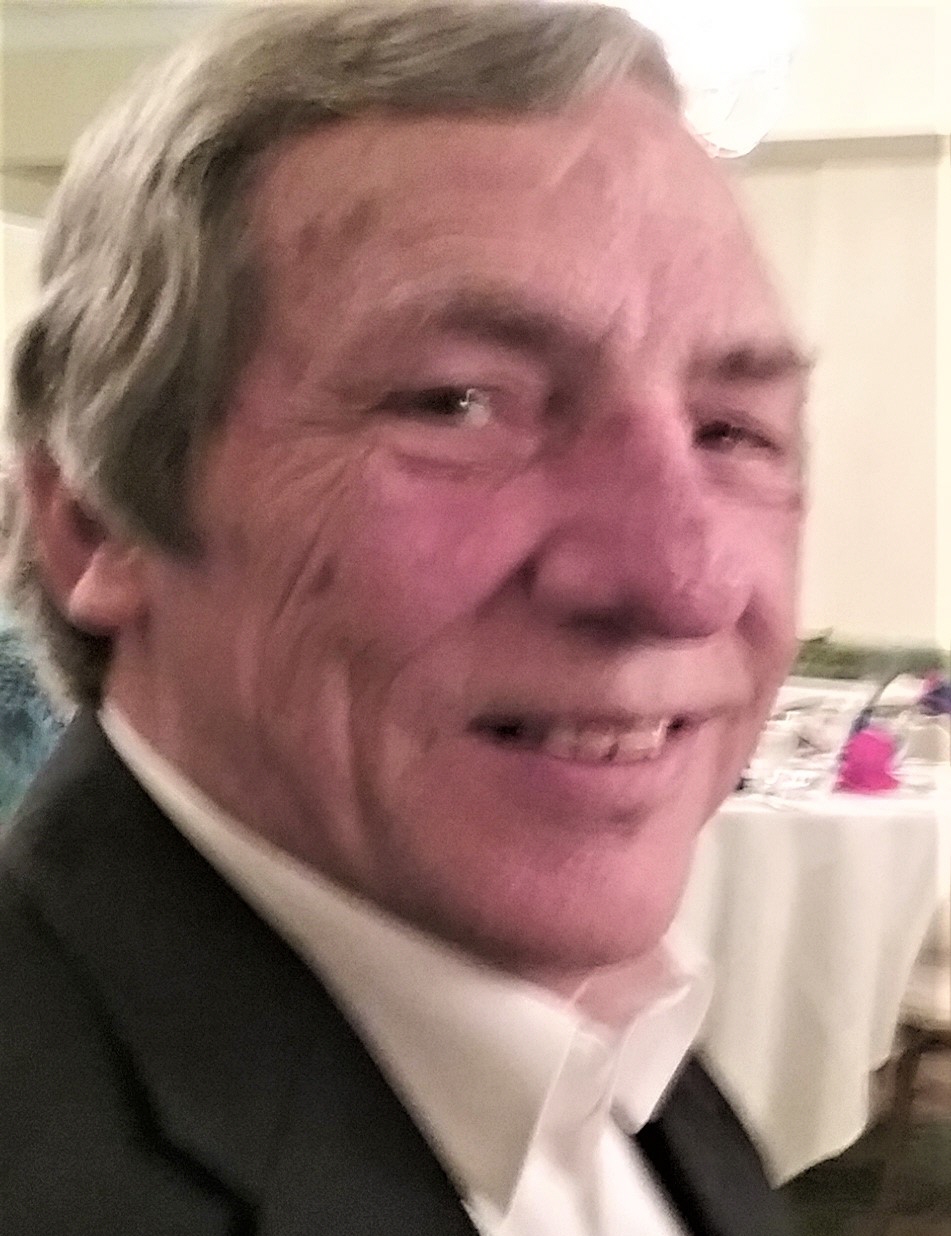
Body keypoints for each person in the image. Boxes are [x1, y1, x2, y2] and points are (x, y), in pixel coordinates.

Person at [0, 3, 809, 1233]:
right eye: (458, 403)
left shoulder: (602, 1032)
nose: (681, 583)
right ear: (98, 522)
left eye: (733, 430)